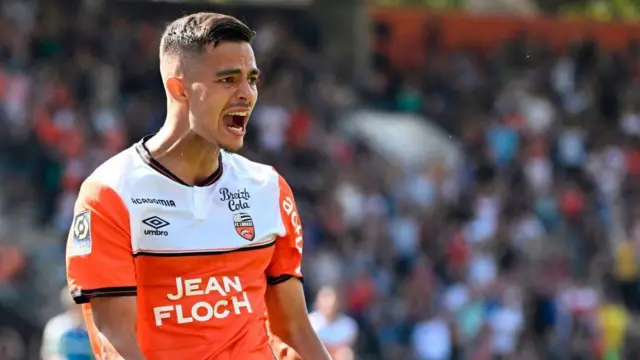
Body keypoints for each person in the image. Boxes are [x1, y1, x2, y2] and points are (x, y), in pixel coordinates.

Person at [65, 12, 330, 360]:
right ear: (179, 89)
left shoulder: (269, 188)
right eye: (228, 79)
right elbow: (115, 340)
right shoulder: (110, 194)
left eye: (251, 79)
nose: (247, 94)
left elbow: (293, 330)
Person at [41, 287, 93, 360]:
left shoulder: (92, 325)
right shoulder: (56, 326)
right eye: (75, 305)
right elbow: (51, 353)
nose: (78, 308)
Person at [309, 286, 358, 359]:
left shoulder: (348, 324)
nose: (328, 304)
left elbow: (345, 349)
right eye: (324, 299)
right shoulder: (309, 321)